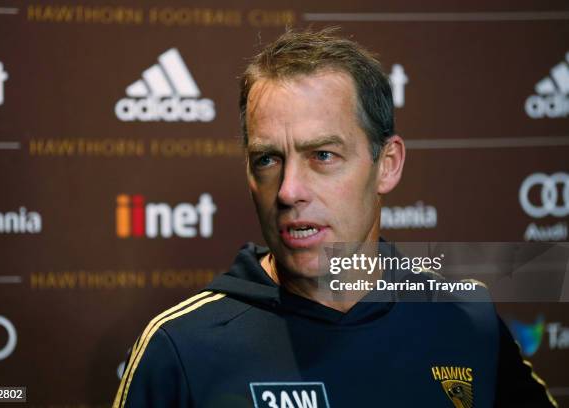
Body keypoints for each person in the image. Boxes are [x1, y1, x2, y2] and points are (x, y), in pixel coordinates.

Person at [113, 28, 557, 408]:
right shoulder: (180, 347)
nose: (288, 191)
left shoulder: (465, 319)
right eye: (267, 159)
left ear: (387, 164)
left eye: (323, 155)